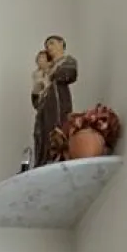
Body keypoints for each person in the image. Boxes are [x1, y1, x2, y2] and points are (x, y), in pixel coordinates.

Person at [32, 35, 79, 168]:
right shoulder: (43, 71)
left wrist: (50, 72)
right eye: (47, 46)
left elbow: (69, 73)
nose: (49, 47)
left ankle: (57, 157)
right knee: (42, 135)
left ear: (61, 44)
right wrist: (37, 87)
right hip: (45, 109)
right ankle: (42, 160)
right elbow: (36, 102)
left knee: (57, 129)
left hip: (58, 104)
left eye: (52, 43)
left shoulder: (67, 61)